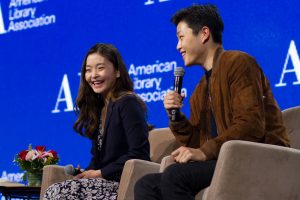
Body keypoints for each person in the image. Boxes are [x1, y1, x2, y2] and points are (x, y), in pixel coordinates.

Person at [134, 4, 290, 200]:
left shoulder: (239, 63)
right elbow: (198, 143)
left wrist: (204, 152)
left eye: (181, 37)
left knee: (175, 177)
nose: (178, 46)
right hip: (224, 158)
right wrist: (176, 117)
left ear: (204, 34)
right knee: (146, 184)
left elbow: (251, 125)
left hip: (258, 158)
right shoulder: (200, 90)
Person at [44, 43, 150, 199]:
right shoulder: (100, 109)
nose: (93, 75)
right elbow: (98, 160)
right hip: (104, 181)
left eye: (100, 68)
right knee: (57, 189)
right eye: (88, 70)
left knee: (59, 192)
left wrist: (100, 173)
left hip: (122, 184)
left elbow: (139, 154)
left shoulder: (128, 102)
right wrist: (86, 172)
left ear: (118, 71)